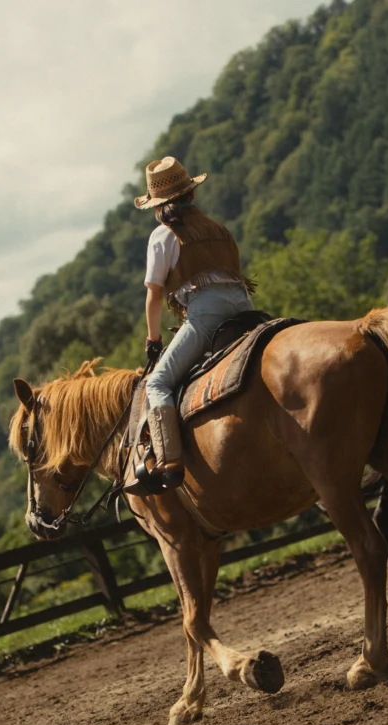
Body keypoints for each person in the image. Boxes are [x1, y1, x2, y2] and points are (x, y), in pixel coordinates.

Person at [126, 156, 256, 492]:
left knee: (157, 383)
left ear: (157, 205)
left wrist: (153, 340)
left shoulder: (163, 235)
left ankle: (169, 464)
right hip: (244, 306)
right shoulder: (218, 228)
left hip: (206, 313)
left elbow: (154, 295)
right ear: (192, 195)